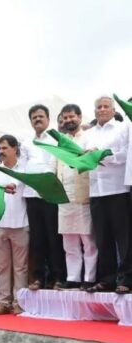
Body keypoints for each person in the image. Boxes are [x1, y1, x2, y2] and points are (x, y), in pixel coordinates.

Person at [84, 96, 132, 293]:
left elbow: (125, 155)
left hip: (118, 189)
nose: (102, 109)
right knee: (102, 238)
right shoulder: (88, 134)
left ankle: (126, 279)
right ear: (94, 111)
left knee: (124, 238)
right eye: (99, 107)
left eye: (106, 106)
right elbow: (83, 157)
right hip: (96, 190)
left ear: (113, 110)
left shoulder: (123, 128)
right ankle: (107, 279)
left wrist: (102, 155)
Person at [22, 104, 66, 290]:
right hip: (31, 195)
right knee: (37, 238)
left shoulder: (56, 140)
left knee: (53, 237)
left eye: (41, 116)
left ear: (48, 119)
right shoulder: (26, 143)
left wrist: (45, 184)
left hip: (50, 194)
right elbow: (23, 168)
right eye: (34, 117)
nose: (37, 119)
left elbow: (55, 165)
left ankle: (58, 278)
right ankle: (39, 278)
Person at [0, 135, 29, 315]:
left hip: (22, 223)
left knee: (21, 267)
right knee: (2, 266)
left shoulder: (25, 168)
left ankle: (19, 302)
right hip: (0, 224)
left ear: (15, 148)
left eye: (4, 148)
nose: (1, 151)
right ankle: (3, 302)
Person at [57, 104, 98, 290]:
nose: (68, 120)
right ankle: (73, 278)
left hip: (83, 195)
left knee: (88, 240)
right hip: (64, 198)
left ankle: (89, 278)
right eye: (65, 118)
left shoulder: (89, 137)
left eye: (71, 117)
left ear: (80, 118)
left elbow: (92, 160)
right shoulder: (61, 142)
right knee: (69, 241)